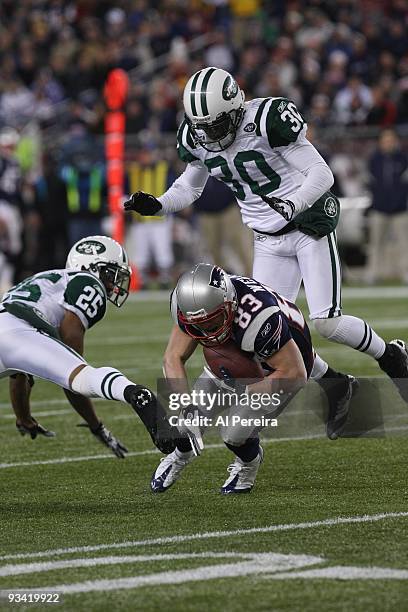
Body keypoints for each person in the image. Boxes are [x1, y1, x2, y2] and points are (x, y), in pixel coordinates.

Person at [124, 67, 408, 402]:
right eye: (204, 128)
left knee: (326, 323)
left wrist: (293, 204)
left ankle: (390, 355)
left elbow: (321, 173)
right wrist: (158, 205)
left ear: (234, 108)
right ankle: (338, 386)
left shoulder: (264, 120)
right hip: (267, 239)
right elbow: (189, 187)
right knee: (274, 334)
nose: (211, 136)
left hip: (306, 225)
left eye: (216, 125)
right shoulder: (197, 135)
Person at [150, 263, 357, 495]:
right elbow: (172, 357)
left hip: (278, 364)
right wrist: (187, 406)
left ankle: (249, 463)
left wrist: (242, 393)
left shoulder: (258, 319)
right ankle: (180, 455)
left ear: (229, 304)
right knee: (186, 420)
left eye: (212, 323)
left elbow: (295, 374)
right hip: (235, 353)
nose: (207, 332)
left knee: (234, 432)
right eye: (199, 325)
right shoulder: (190, 304)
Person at [0, 235, 176, 456]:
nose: (112, 282)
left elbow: (19, 373)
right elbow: (71, 366)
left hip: (11, 327)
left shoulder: (44, 280)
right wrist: (96, 425)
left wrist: (23, 418)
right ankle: (135, 393)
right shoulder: (86, 281)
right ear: (89, 266)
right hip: (22, 330)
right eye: (109, 273)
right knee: (82, 377)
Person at [366, 128, 408, 284]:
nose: (388, 143)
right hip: (379, 208)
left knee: (405, 244)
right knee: (375, 244)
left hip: (400, 209)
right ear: (380, 142)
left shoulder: (403, 158)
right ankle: (372, 274)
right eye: (385, 140)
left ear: (395, 141)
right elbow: (369, 182)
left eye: (391, 140)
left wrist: (399, 200)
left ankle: (405, 273)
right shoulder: (374, 159)